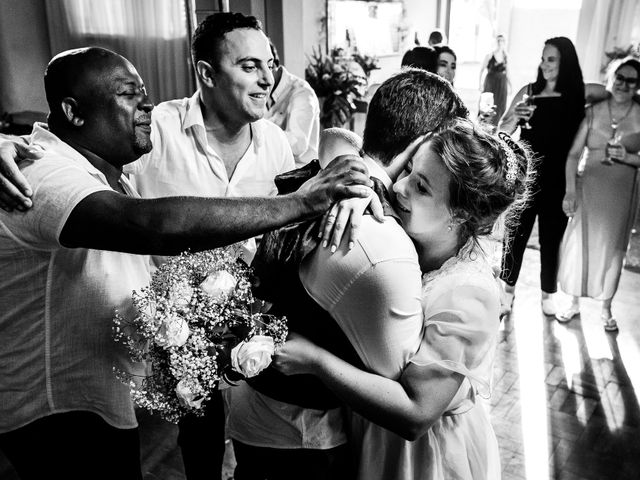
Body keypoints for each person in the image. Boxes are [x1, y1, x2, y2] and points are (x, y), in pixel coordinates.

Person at [0, 46, 371, 480]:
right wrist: (302, 202)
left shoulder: (105, 170)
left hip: (107, 402)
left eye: (144, 91)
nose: (148, 104)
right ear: (73, 111)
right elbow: (152, 225)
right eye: (128, 94)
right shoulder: (39, 171)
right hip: (58, 412)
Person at [225, 69, 469, 480]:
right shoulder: (381, 244)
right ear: (425, 144)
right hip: (305, 439)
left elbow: (338, 136)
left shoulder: (326, 170)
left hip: (257, 415)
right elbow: (401, 390)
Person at [273, 119, 534, 480]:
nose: (399, 187)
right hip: (370, 435)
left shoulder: (469, 293)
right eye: (409, 169)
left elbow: (416, 416)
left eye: (421, 187)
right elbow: (338, 140)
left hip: (423, 458)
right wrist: (363, 184)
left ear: (463, 215)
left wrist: (315, 360)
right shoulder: (413, 227)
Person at [498, 37, 587, 316]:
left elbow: (610, 93)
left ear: (565, 63)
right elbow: (502, 131)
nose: (544, 64)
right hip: (527, 176)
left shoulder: (578, 97)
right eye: (543, 58)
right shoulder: (529, 92)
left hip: (560, 178)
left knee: (552, 237)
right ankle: (507, 291)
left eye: (551, 59)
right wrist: (516, 116)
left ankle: (548, 294)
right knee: (516, 235)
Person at [556, 57, 640, 332]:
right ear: (611, 78)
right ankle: (573, 302)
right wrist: (570, 191)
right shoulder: (592, 111)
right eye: (620, 77)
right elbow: (571, 155)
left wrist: (628, 156)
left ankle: (606, 308)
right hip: (588, 188)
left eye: (631, 80)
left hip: (621, 193)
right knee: (580, 244)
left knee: (613, 249)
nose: (624, 85)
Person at [264, 41, 320, 168]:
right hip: (273, 169)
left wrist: (256, 128)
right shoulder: (260, 90)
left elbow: (297, 145)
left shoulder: (302, 92)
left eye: (265, 67)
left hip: (300, 173)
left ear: (274, 65)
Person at [479, 34, 509, 127]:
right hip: (491, 82)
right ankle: (484, 126)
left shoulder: (506, 56)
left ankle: (496, 127)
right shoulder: (489, 55)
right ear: (496, 42)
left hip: (502, 83)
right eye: (498, 41)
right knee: (488, 105)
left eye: (502, 41)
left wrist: (511, 86)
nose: (500, 43)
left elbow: (508, 72)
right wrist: (480, 84)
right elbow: (482, 70)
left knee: (500, 106)